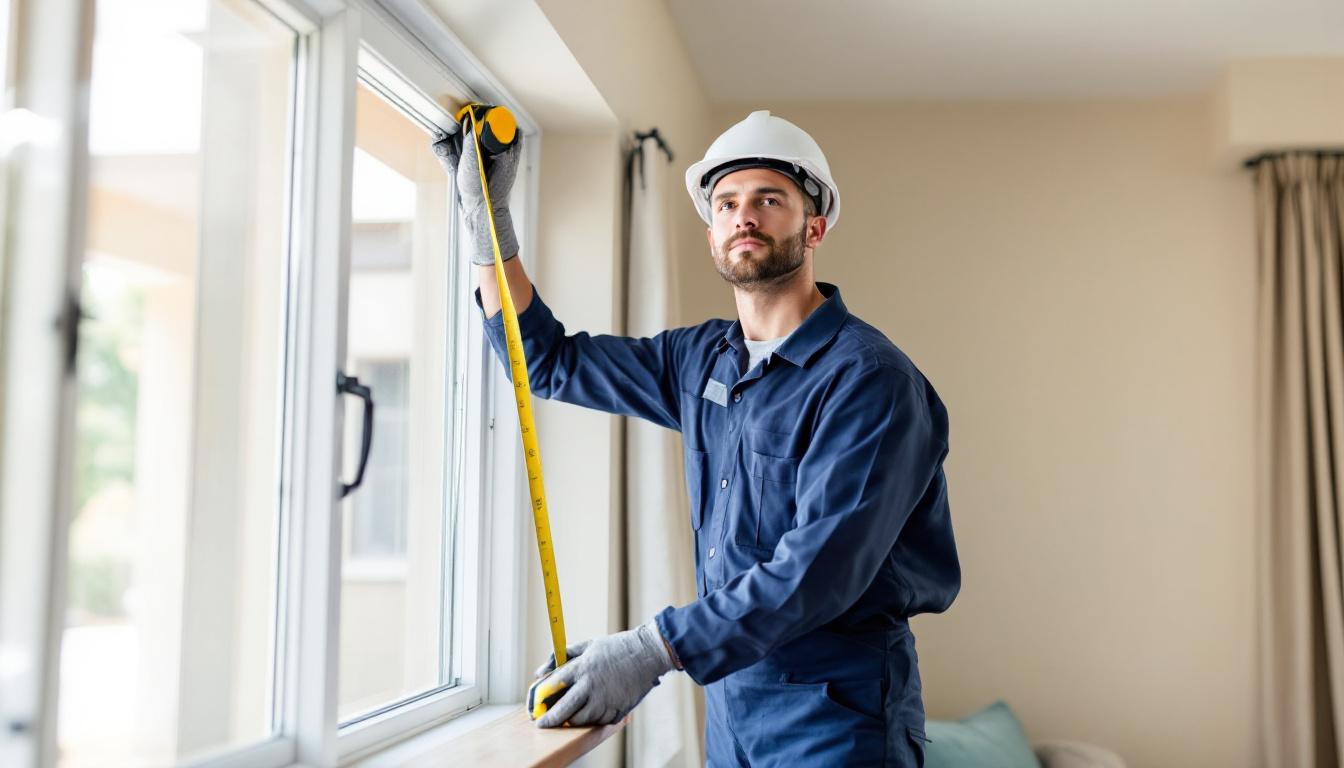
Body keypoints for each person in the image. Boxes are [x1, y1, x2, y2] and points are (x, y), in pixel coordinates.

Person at [432, 109, 959, 766]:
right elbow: (546, 362)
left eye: (769, 200)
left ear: (814, 226)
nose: (744, 217)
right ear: (712, 232)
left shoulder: (868, 381)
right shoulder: (703, 360)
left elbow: (818, 571)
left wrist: (650, 649)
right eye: (727, 203)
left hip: (835, 713)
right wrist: (489, 226)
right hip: (730, 705)